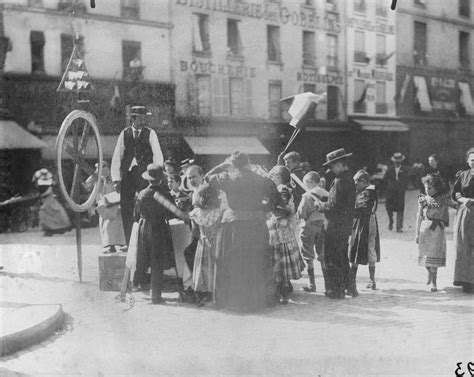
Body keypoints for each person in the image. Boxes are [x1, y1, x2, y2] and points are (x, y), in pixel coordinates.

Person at [207, 151, 280, 312]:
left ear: (233, 164)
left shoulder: (226, 178)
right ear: (248, 163)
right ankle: (256, 302)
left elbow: (207, 179)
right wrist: (264, 208)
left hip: (233, 226)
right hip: (256, 226)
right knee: (255, 262)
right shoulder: (262, 179)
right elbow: (276, 197)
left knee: (233, 263)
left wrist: (221, 166)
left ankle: (232, 302)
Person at [111, 105, 164, 245]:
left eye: (145, 118)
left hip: (145, 174)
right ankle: (130, 243)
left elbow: (158, 154)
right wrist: (116, 179)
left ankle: (146, 241)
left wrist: (157, 174)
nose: (143, 120)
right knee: (126, 207)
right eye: (140, 118)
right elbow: (118, 155)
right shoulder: (125, 133)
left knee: (145, 205)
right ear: (133, 118)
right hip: (128, 175)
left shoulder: (150, 133)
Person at [133, 164, 175, 303]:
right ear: (161, 180)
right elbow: (171, 213)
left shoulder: (141, 193)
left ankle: (142, 286)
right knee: (157, 261)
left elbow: (136, 214)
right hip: (157, 228)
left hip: (143, 227)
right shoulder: (163, 194)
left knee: (144, 258)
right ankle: (155, 296)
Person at [319, 148, 356, 299]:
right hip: (344, 225)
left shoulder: (340, 181)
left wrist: (321, 206)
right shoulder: (349, 179)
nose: (330, 169)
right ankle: (349, 287)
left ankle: (336, 290)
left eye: (332, 166)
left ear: (340, 164)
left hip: (335, 225)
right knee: (341, 256)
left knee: (332, 257)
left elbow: (333, 206)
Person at [267, 165, 304, 304]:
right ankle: (283, 287)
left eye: (273, 176)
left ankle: (283, 289)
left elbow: (282, 207)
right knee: (281, 260)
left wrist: (268, 205)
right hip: (279, 229)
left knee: (281, 259)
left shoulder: (282, 189)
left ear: (279, 177)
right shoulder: (281, 189)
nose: (271, 179)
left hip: (281, 230)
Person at [416, 173, 450, 292]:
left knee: (434, 254)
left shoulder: (442, 199)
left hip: (437, 230)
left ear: (437, 188)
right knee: (425, 255)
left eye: (430, 188)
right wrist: (416, 233)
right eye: (426, 187)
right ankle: (429, 272)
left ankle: (434, 283)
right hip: (425, 229)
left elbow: (453, 205)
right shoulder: (423, 199)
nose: (427, 190)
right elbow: (419, 217)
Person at [189, 183, 222, 307]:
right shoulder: (218, 212)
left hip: (202, 243)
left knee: (202, 268)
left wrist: (202, 235)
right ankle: (214, 294)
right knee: (214, 267)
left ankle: (201, 293)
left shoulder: (196, 213)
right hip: (216, 242)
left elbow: (194, 230)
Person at [297, 171, 329, 293]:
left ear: (310, 183)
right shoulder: (326, 194)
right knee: (322, 254)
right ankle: (327, 285)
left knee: (308, 255)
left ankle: (312, 284)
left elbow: (301, 213)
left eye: (306, 183)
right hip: (322, 225)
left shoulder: (306, 196)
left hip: (309, 226)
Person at [349, 170, 380, 292]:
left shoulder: (367, 192)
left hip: (364, 222)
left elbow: (361, 207)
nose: (355, 185)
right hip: (370, 220)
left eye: (357, 183)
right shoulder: (370, 191)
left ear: (363, 181)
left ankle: (352, 281)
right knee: (370, 248)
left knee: (356, 247)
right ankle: (371, 280)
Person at [85, 161, 126, 254]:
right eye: (101, 170)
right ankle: (109, 245)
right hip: (103, 206)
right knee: (105, 226)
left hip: (114, 204)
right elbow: (87, 184)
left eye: (105, 169)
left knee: (115, 226)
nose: (104, 172)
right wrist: (95, 174)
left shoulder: (114, 178)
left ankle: (117, 245)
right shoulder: (98, 179)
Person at [452, 147, 474, 293]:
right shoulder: (463, 175)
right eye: (472, 160)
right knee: (464, 246)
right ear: (467, 161)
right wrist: (464, 199)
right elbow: (456, 193)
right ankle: (466, 281)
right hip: (466, 213)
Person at [181, 164, 205, 300]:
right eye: (189, 178)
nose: (192, 180)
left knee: (191, 254)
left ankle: (198, 288)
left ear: (202, 176)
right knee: (190, 255)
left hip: (204, 233)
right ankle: (194, 286)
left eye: (194, 177)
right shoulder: (192, 194)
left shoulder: (205, 192)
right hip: (195, 232)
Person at [33, 168, 72, 237]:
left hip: (49, 198)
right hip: (47, 198)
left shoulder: (48, 181)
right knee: (47, 213)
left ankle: (57, 229)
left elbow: (52, 185)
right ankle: (50, 230)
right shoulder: (44, 181)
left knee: (52, 212)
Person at [384, 152, 408, 232]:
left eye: (399, 161)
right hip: (391, 192)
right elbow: (385, 179)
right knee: (389, 208)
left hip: (400, 193)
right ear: (393, 162)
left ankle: (399, 227)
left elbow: (406, 180)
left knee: (400, 208)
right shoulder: (390, 169)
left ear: (401, 161)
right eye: (396, 161)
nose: (397, 163)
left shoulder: (404, 170)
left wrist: (403, 187)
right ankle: (391, 221)